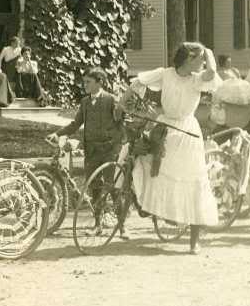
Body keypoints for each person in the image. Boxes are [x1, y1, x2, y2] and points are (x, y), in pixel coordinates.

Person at [124, 42, 221, 254]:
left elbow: (212, 72)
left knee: (194, 180)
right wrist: (122, 104)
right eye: (199, 59)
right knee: (151, 167)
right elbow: (137, 83)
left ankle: (194, 239)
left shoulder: (197, 80)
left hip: (188, 132)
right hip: (165, 127)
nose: (203, 63)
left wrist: (207, 50)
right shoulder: (165, 74)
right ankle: (156, 209)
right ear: (188, 59)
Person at [48, 67, 126, 237]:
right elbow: (75, 124)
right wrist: (58, 133)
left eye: (88, 82)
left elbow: (121, 126)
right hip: (91, 151)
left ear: (100, 83)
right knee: (94, 187)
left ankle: (122, 227)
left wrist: (117, 148)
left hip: (109, 151)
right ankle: (97, 224)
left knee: (112, 187)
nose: (85, 85)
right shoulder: (84, 102)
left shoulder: (111, 100)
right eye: (84, 82)